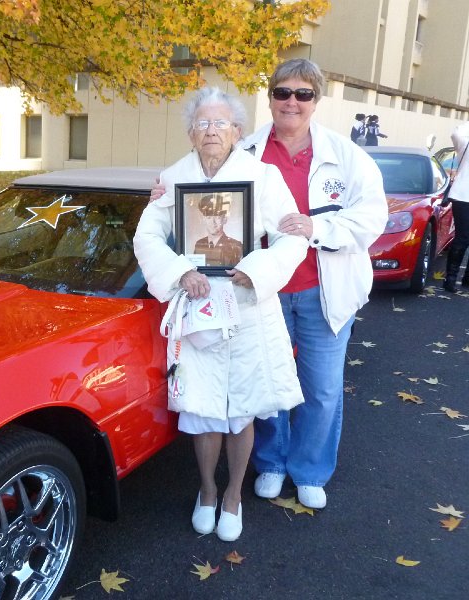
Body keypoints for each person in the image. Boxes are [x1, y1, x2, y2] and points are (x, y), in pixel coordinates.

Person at [134, 87, 308, 542]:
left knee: (243, 408)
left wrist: (256, 270)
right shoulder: (172, 179)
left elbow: (292, 235)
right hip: (197, 305)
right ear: (191, 133)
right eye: (203, 124)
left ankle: (234, 495)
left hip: (248, 305)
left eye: (221, 123)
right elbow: (147, 237)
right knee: (204, 409)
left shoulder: (263, 176)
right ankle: (207, 491)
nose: (211, 131)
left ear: (237, 130)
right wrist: (179, 271)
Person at [240, 59, 388, 509]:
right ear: (270, 97)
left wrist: (315, 227)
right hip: (264, 291)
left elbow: (371, 218)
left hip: (323, 291)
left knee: (321, 388)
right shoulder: (244, 152)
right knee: (267, 383)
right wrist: (165, 190)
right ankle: (271, 463)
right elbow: (205, 193)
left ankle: (309, 470)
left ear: (316, 101)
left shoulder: (346, 157)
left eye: (303, 94)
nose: (292, 102)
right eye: (283, 92)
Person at [443, 119, 469, 292]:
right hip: (464, 195)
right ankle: (450, 278)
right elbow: (456, 134)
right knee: (463, 237)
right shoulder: (465, 142)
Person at [193, 195, 243, 265]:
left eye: (217, 217)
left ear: (224, 219)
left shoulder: (235, 246)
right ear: (203, 220)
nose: (213, 222)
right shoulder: (199, 244)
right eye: (209, 217)